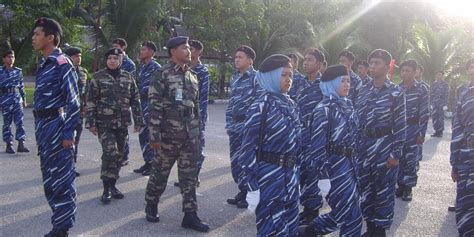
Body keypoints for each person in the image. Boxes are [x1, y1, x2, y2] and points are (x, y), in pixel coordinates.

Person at [144, 36, 210, 232]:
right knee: (160, 173)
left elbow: (195, 107)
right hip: (168, 135)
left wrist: (198, 133)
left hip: (190, 135)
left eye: (189, 48)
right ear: (173, 51)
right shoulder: (161, 74)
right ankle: (151, 203)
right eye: (184, 48)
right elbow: (154, 106)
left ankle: (190, 215)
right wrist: (154, 135)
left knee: (189, 176)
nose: (189, 51)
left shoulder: (192, 75)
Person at [238, 54, 301, 236]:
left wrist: (296, 174)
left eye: (290, 75)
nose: (288, 80)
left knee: (291, 227)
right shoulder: (260, 107)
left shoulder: (291, 104)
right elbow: (248, 150)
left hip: (290, 177)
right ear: (271, 76)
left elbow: (296, 145)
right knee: (272, 230)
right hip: (269, 178)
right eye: (283, 75)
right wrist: (252, 186)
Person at [298, 64, 362, 236]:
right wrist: (323, 176)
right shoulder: (324, 110)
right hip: (334, 168)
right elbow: (317, 148)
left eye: (348, 81)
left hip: (350, 167)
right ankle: (308, 231)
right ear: (330, 83)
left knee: (353, 214)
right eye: (342, 81)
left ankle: (308, 231)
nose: (347, 85)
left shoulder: (348, 106)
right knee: (347, 213)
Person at [31, 17, 80, 237]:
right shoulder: (44, 63)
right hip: (44, 128)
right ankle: (58, 224)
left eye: (37, 34)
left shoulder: (62, 62)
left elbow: (74, 101)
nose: (33, 38)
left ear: (50, 38)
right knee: (50, 180)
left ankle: (62, 229)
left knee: (61, 180)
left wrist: (68, 133)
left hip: (58, 128)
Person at [356, 49, 406, 237]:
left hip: (384, 146)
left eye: (377, 63)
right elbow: (356, 119)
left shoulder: (396, 93)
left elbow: (401, 126)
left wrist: (395, 154)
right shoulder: (362, 89)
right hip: (363, 146)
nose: (372, 67)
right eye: (371, 63)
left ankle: (380, 231)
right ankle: (370, 228)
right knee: (367, 190)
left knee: (383, 192)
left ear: (387, 66)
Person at [86, 47, 143, 204]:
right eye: (110, 58)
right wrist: (90, 122)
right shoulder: (98, 77)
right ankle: (106, 188)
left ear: (121, 61)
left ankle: (113, 185)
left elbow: (135, 100)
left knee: (119, 156)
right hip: (104, 122)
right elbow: (91, 100)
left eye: (115, 58)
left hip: (122, 123)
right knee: (110, 153)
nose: (112, 61)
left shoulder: (128, 77)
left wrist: (139, 120)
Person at [225, 45, 262, 208]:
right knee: (235, 162)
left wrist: (252, 127)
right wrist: (228, 123)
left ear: (250, 60)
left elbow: (260, 104)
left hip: (248, 127)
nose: (237, 60)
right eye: (236, 57)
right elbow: (230, 103)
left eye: (240, 57)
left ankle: (250, 192)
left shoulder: (256, 78)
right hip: (234, 126)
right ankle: (242, 190)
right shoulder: (234, 77)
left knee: (248, 162)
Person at [174, 39, 210, 187]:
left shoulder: (202, 71)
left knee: (197, 147)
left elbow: (203, 96)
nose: (190, 51)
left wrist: (199, 117)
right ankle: (185, 176)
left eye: (193, 49)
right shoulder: (183, 69)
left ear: (199, 52)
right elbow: (178, 92)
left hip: (196, 115)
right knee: (183, 148)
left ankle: (194, 176)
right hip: (182, 115)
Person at [297, 48, 325, 224]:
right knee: (301, 173)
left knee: (314, 174)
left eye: (310, 59)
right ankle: (305, 208)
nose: (306, 62)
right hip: (300, 136)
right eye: (305, 59)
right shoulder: (298, 83)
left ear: (320, 64)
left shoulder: (325, 86)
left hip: (316, 137)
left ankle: (312, 212)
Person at [396, 59, 429, 202]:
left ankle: (408, 188)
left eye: (408, 71)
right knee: (399, 158)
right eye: (402, 70)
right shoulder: (397, 88)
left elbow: (424, 112)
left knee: (410, 159)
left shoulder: (421, 89)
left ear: (414, 72)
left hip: (413, 128)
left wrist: (421, 133)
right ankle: (401, 185)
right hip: (399, 129)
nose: (404, 73)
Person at [450, 58, 474, 236]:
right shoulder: (464, 94)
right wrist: (455, 161)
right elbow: (457, 129)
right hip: (468, 155)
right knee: (465, 207)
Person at [133, 41, 161, 176]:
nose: (141, 52)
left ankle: (154, 164)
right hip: (141, 105)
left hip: (152, 106)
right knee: (143, 135)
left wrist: (138, 92)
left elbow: (155, 87)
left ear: (151, 52)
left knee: (151, 135)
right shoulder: (143, 67)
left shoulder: (156, 68)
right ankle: (147, 161)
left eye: (144, 50)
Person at [111, 37, 136, 166]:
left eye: (117, 46)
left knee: (123, 132)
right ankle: (115, 155)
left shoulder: (129, 64)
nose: (115, 49)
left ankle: (124, 156)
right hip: (111, 104)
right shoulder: (111, 60)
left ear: (123, 47)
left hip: (124, 103)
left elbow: (130, 85)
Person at [64, 46, 87, 177]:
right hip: (65, 111)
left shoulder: (83, 72)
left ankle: (72, 164)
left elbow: (85, 90)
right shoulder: (63, 71)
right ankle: (65, 166)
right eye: (75, 56)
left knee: (76, 139)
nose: (78, 59)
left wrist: (85, 105)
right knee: (66, 138)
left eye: (80, 56)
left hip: (78, 111)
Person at [0, 49, 29, 154]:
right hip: (5, 98)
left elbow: (21, 86)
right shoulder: (0, 71)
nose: (11, 59)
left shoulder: (18, 71)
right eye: (9, 57)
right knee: (7, 123)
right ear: (4, 59)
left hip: (16, 98)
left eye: (12, 57)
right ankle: (9, 144)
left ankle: (21, 143)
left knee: (20, 121)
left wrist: (24, 99)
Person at [430, 71, 449, 137]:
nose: (438, 76)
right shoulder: (434, 84)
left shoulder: (445, 84)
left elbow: (446, 94)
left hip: (441, 103)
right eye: (437, 75)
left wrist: (446, 104)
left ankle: (440, 132)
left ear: (442, 76)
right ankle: (436, 131)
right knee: (434, 117)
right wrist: (431, 103)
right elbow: (431, 94)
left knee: (440, 118)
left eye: (440, 75)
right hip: (435, 103)